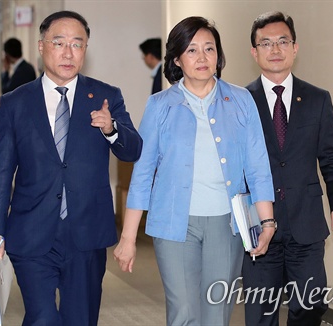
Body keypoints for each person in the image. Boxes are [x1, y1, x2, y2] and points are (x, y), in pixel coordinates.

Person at [0, 11, 142, 325]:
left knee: (80, 318)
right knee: (42, 317)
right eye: (59, 43)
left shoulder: (105, 97)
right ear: (41, 46)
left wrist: (112, 129)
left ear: (85, 50)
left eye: (77, 44)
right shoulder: (16, 103)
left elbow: (133, 150)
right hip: (31, 231)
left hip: (86, 231)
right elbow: (1, 171)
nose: (68, 52)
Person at [114, 16, 275, 326]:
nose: (202, 58)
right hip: (175, 226)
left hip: (227, 226)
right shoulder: (160, 105)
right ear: (177, 58)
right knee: (184, 313)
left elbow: (258, 167)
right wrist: (128, 238)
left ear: (219, 54)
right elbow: (143, 173)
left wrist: (266, 221)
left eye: (209, 49)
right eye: (191, 50)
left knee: (217, 314)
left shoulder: (241, 101)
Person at [242, 11, 333, 326]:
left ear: (295, 47)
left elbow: (332, 156)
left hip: (306, 223)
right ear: (254, 51)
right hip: (259, 228)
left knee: (311, 305)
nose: (275, 50)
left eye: (282, 42)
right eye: (266, 43)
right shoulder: (241, 101)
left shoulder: (317, 99)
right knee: (261, 313)